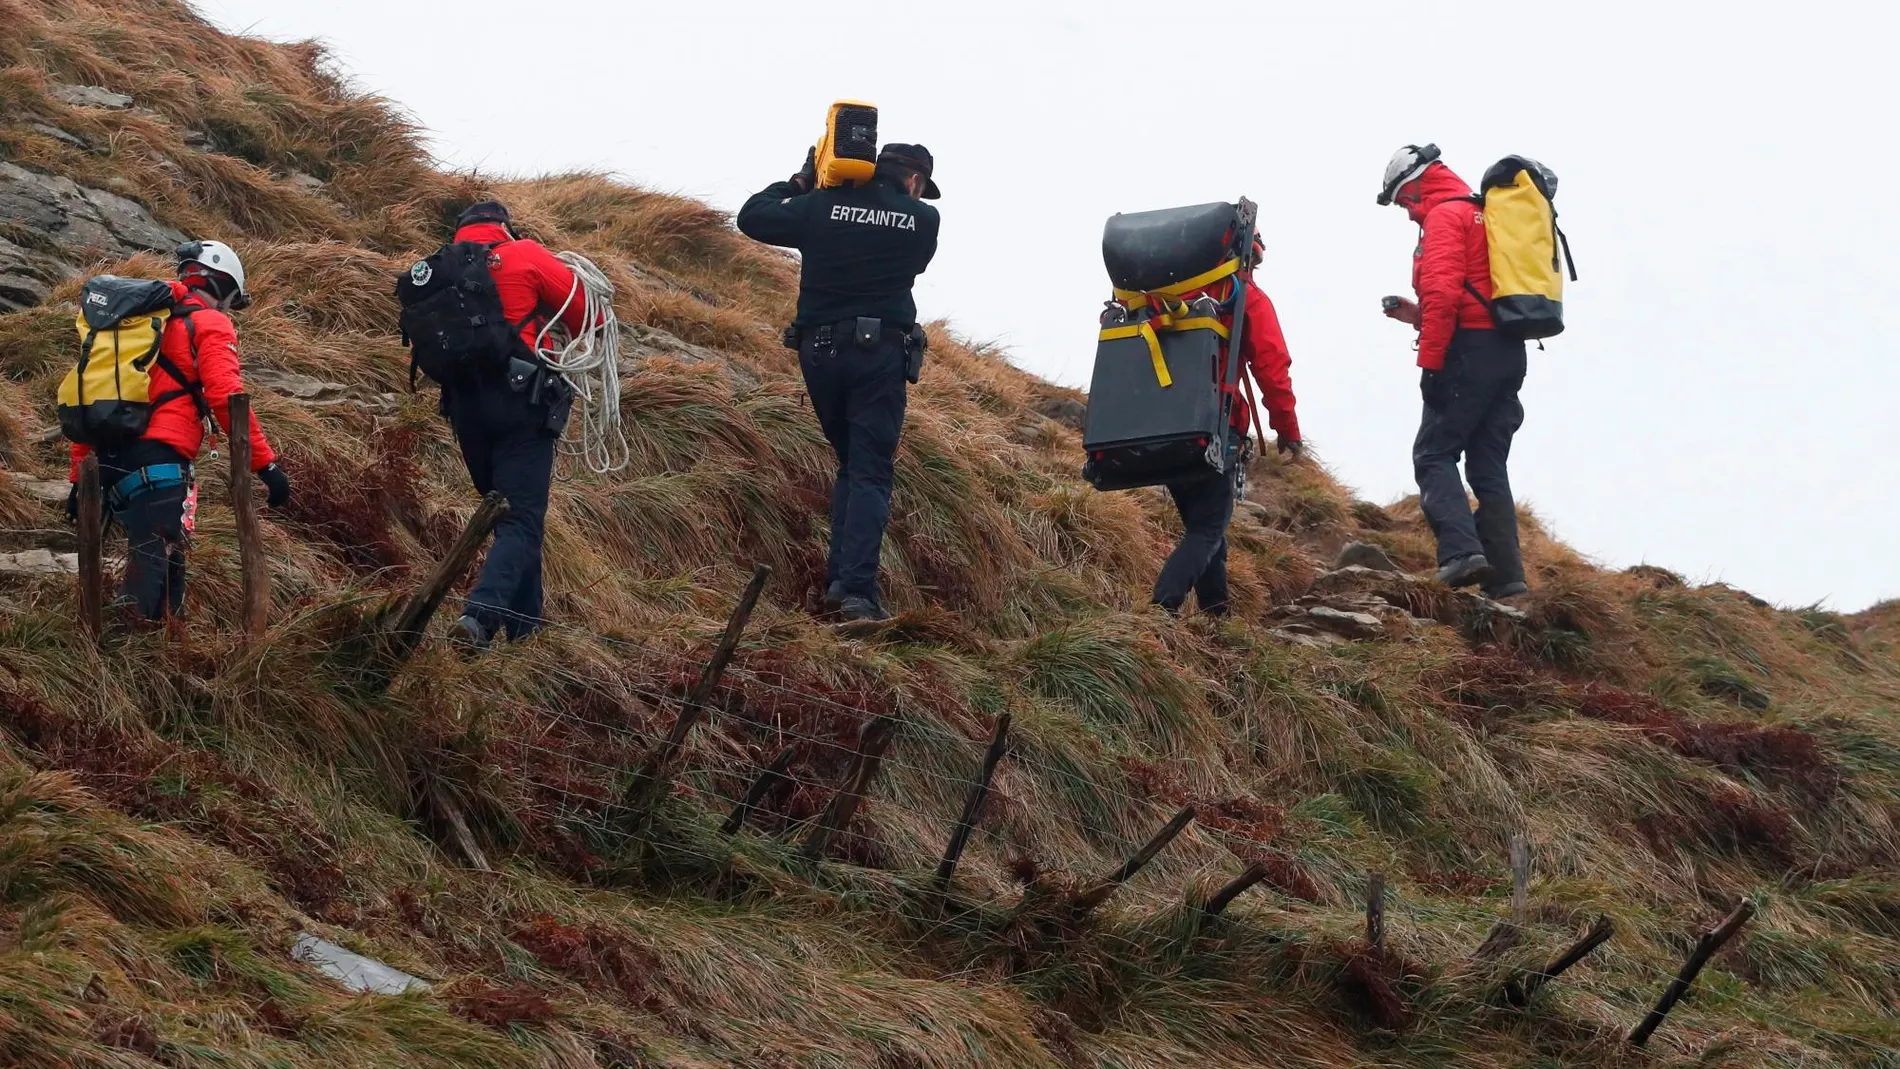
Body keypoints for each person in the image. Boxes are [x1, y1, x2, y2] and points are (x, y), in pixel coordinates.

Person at [735, 143, 941, 622]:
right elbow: (914, 260)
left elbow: (752, 217)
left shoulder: (821, 206)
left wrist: (803, 182)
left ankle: (841, 584)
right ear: (913, 180)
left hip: (819, 354)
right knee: (869, 470)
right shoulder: (922, 221)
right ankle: (858, 595)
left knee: (851, 463)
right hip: (879, 355)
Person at [66, 240, 289, 620]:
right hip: (162, 458)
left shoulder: (135, 324)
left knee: (165, 561)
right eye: (231, 299)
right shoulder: (209, 322)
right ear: (221, 287)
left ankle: (161, 656)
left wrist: (78, 478)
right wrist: (266, 466)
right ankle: (123, 660)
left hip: (110, 458)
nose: (229, 308)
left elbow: (93, 394)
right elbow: (226, 396)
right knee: (153, 561)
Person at [1377, 144, 1530, 601]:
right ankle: (1507, 577)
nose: (1407, 214)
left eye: (1405, 200)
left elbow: (1444, 296)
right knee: (1488, 465)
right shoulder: (1484, 213)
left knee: (1433, 454)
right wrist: (1415, 316)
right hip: (1507, 351)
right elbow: (1468, 295)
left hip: (1467, 353)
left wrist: (1431, 363)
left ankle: (1460, 554)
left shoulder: (1444, 217)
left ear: (1420, 182)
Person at [438, 200, 587, 650]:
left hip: (464, 408)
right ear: (502, 226)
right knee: (520, 520)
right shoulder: (524, 253)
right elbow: (588, 316)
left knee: (515, 520)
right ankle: (478, 620)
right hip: (521, 401)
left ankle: (526, 638)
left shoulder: (439, 269)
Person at [1150, 261, 1300, 617]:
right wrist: (1287, 429)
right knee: (1208, 527)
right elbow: (1271, 365)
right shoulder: (1242, 295)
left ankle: (1216, 617)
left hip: (1158, 425)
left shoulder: (1156, 293)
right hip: (1213, 426)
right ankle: (1161, 608)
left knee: (1206, 528)